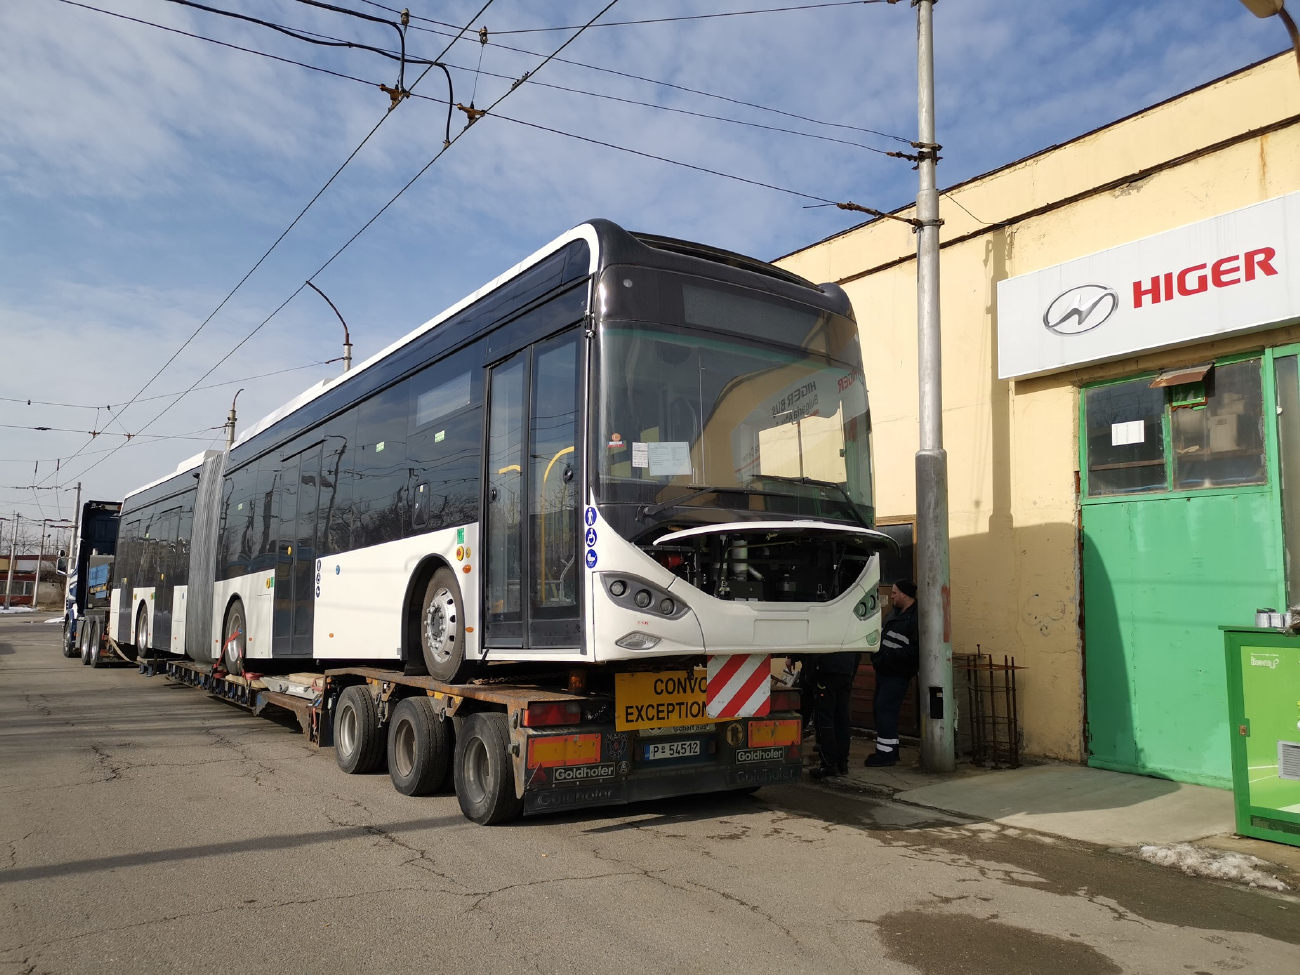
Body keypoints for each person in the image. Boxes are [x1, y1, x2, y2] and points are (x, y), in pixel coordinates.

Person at [865, 578, 919, 767]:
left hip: (897, 673)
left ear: (905, 594)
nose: (892, 595)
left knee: (885, 710)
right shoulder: (895, 613)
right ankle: (889, 750)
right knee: (880, 710)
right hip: (885, 671)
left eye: (895, 592)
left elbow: (915, 651)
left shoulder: (915, 618)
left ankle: (885, 755)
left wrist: (888, 655)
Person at [807, 648, 860, 779]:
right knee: (842, 719)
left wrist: (810, 674)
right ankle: (842, 763)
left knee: (825, 719)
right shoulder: (851, 627)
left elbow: (816, 647)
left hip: (827, 672)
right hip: (846, 671)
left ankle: (829, 764)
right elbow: (858, 651)